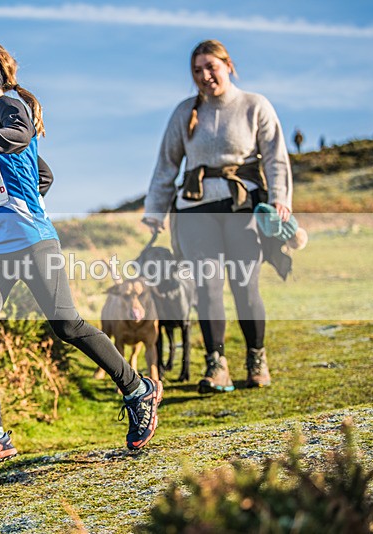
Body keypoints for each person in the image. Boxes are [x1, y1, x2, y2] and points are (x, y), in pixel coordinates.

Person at [0, 37, 162, 468]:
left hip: (32, 241)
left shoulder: (8, 106)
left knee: (66, 325)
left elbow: (20, 136)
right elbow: (40, 171)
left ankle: (138, 388)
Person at [142, 39, 293, 394]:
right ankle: (216, 364)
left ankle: (256, 358)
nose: (205, 76)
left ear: (228, 65)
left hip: (243, 208)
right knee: (206, 287)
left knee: (245, 285)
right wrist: (155, 211)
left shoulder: (255, 105)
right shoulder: (184, 112)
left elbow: (275, 158)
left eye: (211, 67)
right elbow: (167, 164)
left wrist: (282, 198)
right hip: (195, 210)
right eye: (197, 70)